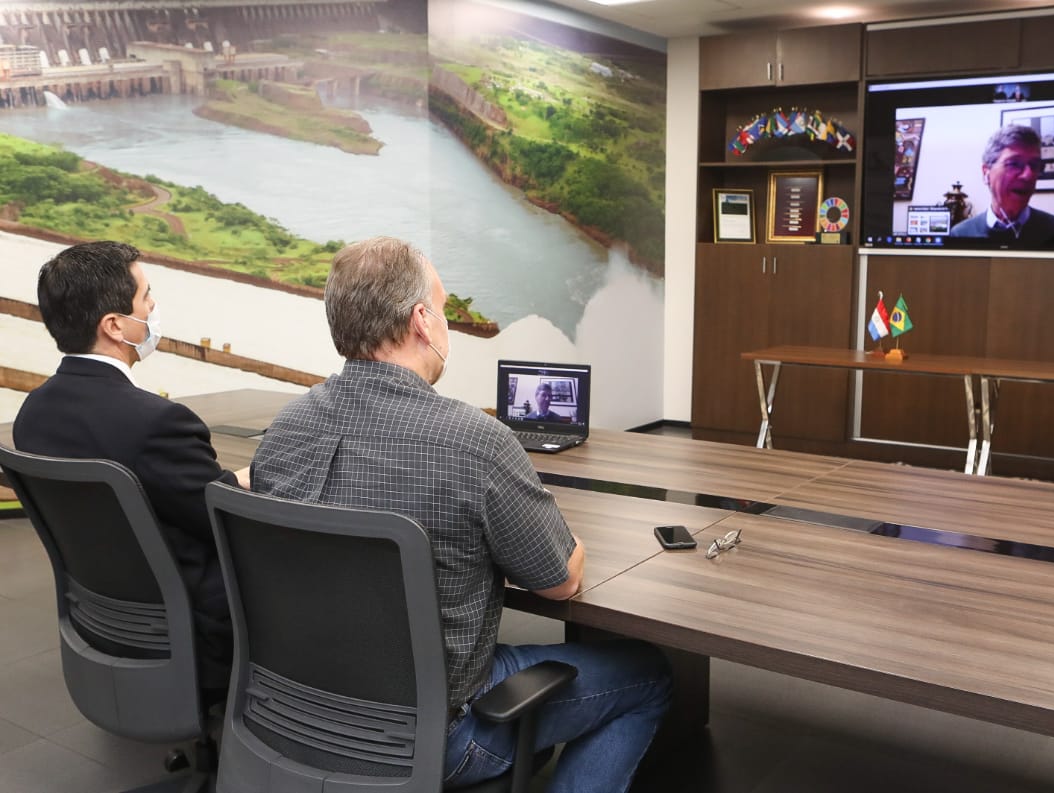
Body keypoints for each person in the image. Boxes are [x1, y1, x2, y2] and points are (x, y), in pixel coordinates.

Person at [251, 237, 671, 792]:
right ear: (422, 321)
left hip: (294, 715)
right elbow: (562, 582)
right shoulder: (474, 443)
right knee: (650, 676)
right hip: (435, 738)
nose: (447, 324)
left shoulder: (284, 430)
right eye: (445, 310)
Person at [12, 240, 249, 698]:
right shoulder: (157, 423)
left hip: (104, 615)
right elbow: (220, 520)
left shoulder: (33, 414)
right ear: (115, 325)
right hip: (194, 622)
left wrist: (226, 481)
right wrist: (257, 476)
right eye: (146, 297)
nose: (154, 305)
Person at [950, 124, 1054, 246]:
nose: (1028, 175)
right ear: (986, 173)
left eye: (1034, 165)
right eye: (1014, 164)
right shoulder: (960, 234)